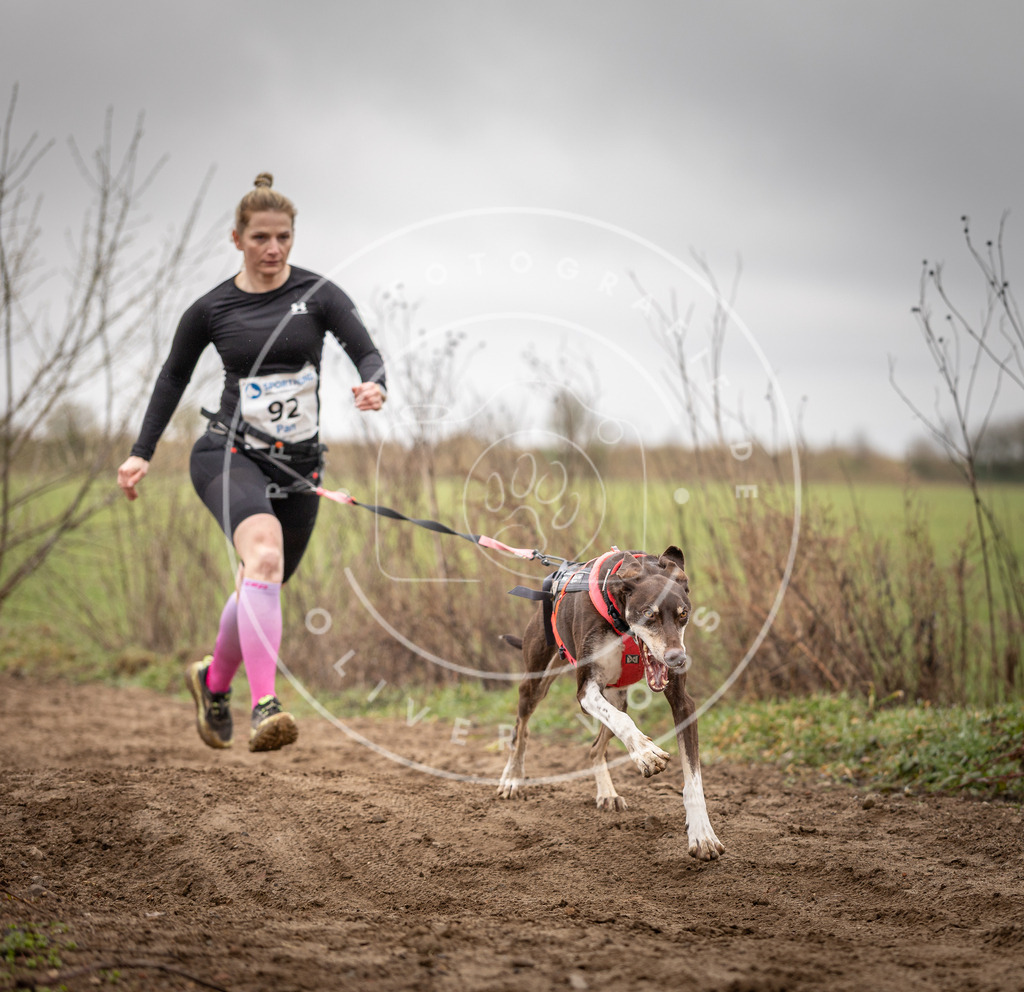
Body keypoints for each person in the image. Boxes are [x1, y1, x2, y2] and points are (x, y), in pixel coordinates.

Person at [117, 173, 386, 753]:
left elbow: (364, 350)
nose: (274, 248)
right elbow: (172, 378)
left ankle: (212, 683)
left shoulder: (319, 294)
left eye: (283, 237)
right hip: (228, 452)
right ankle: (265, 704)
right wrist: (141, 453)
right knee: (263, 555)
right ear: (237, 238)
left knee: (259, 587)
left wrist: (373, 384)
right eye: (261, 237)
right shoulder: (212, 308)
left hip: (301, 467)